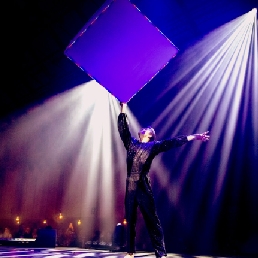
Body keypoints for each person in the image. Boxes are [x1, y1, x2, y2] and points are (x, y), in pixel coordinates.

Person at [117, 102, 209, 258]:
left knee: (152, 220)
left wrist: (193, 137)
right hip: (130, 188)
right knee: (130, 220)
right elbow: (123, 129)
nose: (144, 128)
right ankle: (130, 252)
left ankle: (160, 253)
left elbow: (171, 142)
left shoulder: (153, 146)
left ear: (150, 135)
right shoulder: (131, 143)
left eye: (147, 129)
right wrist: (123, 108)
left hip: (144, 188)